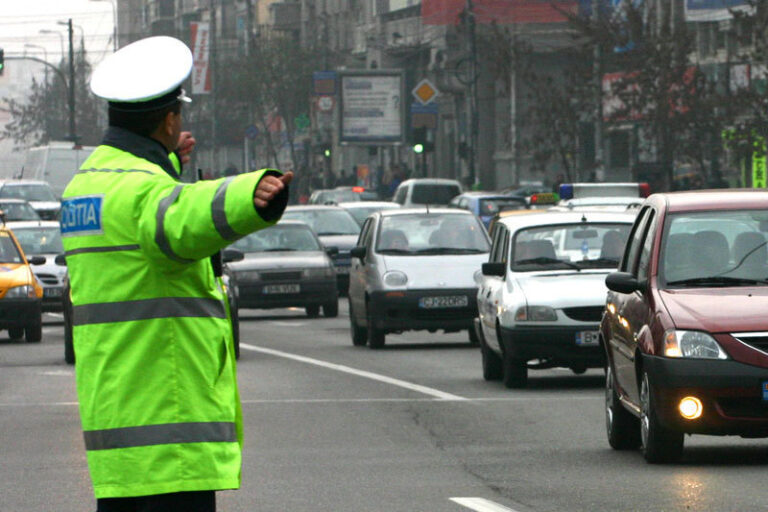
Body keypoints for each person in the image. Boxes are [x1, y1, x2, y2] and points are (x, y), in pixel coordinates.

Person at [60, 36, 292, 512]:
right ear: (169, 121)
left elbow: (147, 215)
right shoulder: (145, 193)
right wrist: (252, 193)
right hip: (169, 441)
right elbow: (182, 216)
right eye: (178, 118)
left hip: (119, 430)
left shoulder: (85, 186)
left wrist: (163, 160)